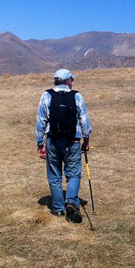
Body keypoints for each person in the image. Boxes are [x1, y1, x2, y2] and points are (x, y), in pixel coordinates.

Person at [36, 68, 92, 223]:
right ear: (68, 81)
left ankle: (58, 209)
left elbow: (40, 122)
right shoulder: (77, 96)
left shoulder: (46, 95)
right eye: (71, 80)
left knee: (54, 175)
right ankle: (72, 203)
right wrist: (86, 140)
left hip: (52, 141)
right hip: (73, 141)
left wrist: (40, 144)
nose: (72, 82)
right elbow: (85, 121)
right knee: (73, 174)